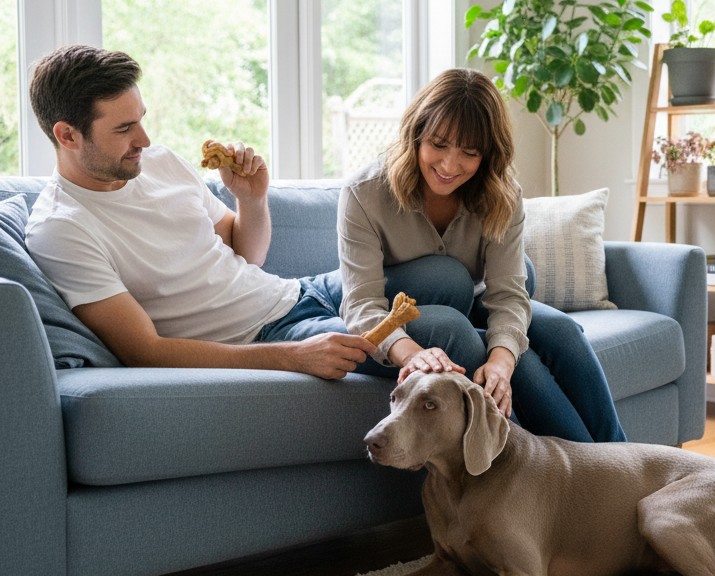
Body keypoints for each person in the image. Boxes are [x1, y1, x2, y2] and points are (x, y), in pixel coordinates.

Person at [23, 44, 480, 381]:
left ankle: (509, 350)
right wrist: (291, 357)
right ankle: (523, 460)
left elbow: (248, 254)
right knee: (451, 331)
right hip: (268, 336)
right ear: (67, 135)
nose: (143, 138)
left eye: (141, 118)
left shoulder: (159, 162)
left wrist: (251, 198)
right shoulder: (62, 229)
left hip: (298, 292)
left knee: (450, 276)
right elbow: (144, 350)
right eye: (124, 128)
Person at [337, 68, 627, 443]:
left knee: (562, 332)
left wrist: (502, 361)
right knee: (453, 287)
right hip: (390, 310)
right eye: (438, 145)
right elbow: (361, 303)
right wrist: (409, 353)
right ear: (416, 134)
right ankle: (587, 478)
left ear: (488, 155)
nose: (449, 165)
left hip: (469, 302)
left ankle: (624, 459)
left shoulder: (501, 195)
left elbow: (507, 293)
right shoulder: (365, 193)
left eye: (469, 153)